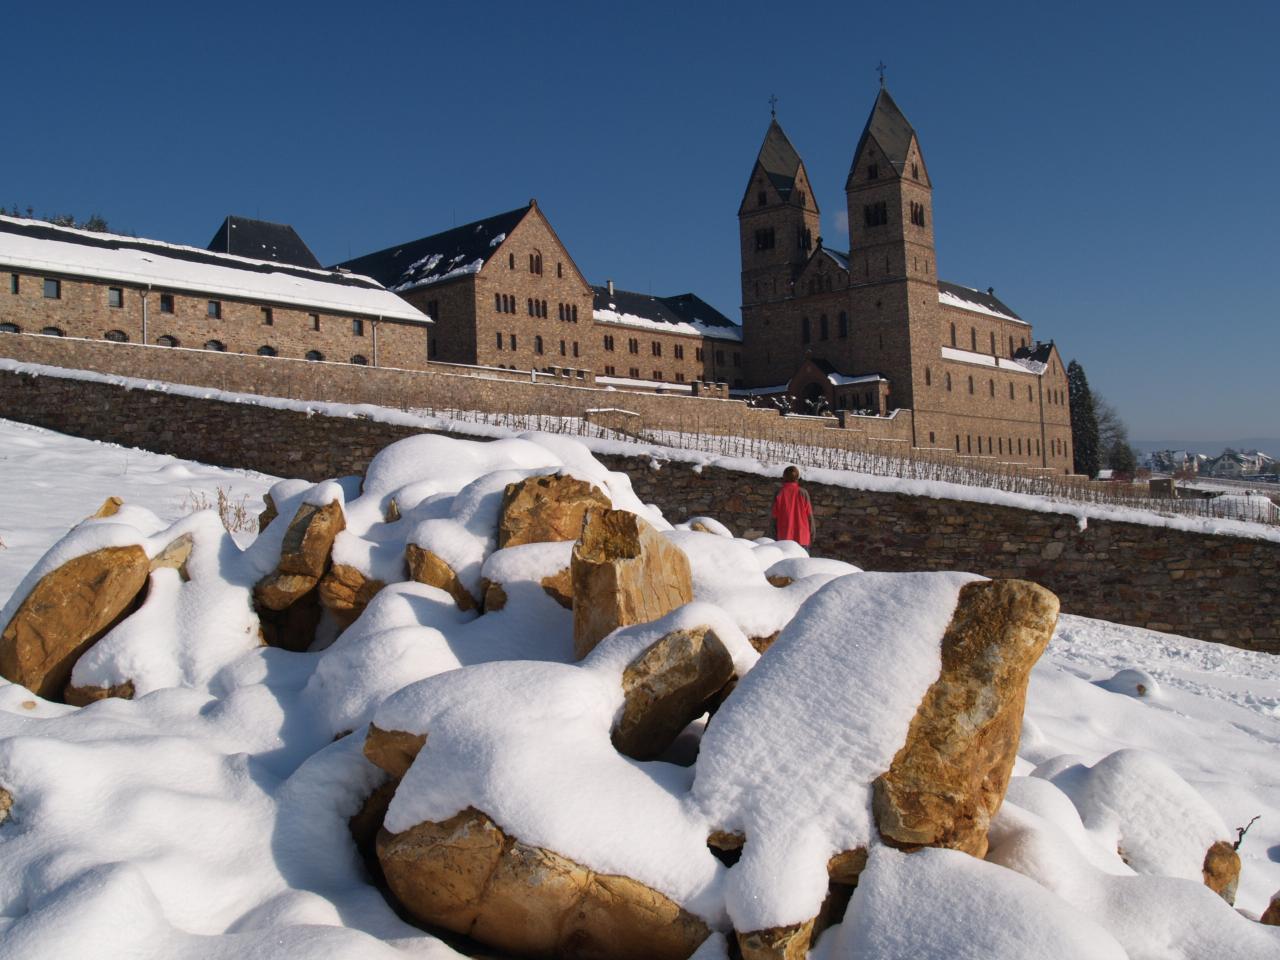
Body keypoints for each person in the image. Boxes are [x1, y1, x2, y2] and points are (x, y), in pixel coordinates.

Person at [771, 465, 814, 548]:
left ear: (784, 477)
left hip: (784, 537)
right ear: (797, 477)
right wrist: (812, 534)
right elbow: (809, 515)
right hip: (802, 537)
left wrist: (773, 536)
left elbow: (774, 517)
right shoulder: (803, 493)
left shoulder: (779, 493)